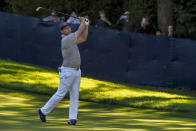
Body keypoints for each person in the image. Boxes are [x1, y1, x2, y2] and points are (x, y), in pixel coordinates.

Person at [38, 17, 89, 125]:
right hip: (67, 71)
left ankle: (72, 119)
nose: (67, 29)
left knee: (75, 95)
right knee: (60, 94)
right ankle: (43, 111)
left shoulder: (72, 39)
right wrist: (83, 22)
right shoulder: (66, 39)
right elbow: (80, 31)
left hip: (76, 71)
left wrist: (86, 24)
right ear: (61, 31)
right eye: (65, 29)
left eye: (68, 27)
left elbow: (84, 38)